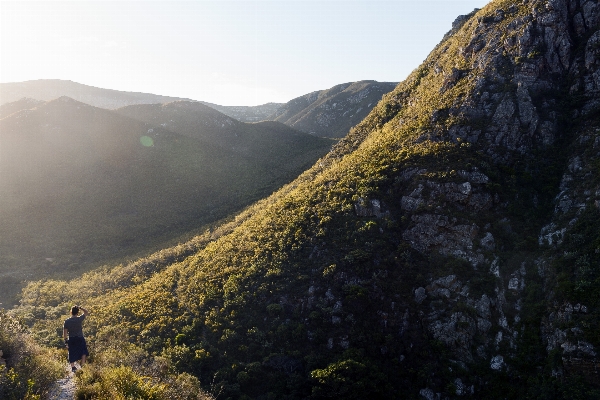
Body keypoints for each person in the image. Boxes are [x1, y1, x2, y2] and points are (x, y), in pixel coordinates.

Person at [63, 305, 89, 372]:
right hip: (80, 338)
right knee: (83, 352)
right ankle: (82, 366)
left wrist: (66, 340)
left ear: (71, 312)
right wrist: (80, 307)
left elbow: (65, 333)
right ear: (77, 312)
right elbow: (86, 312)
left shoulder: (67, 321)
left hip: (72, 339)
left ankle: (73, 367)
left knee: (71, 352)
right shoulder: (79, 319)